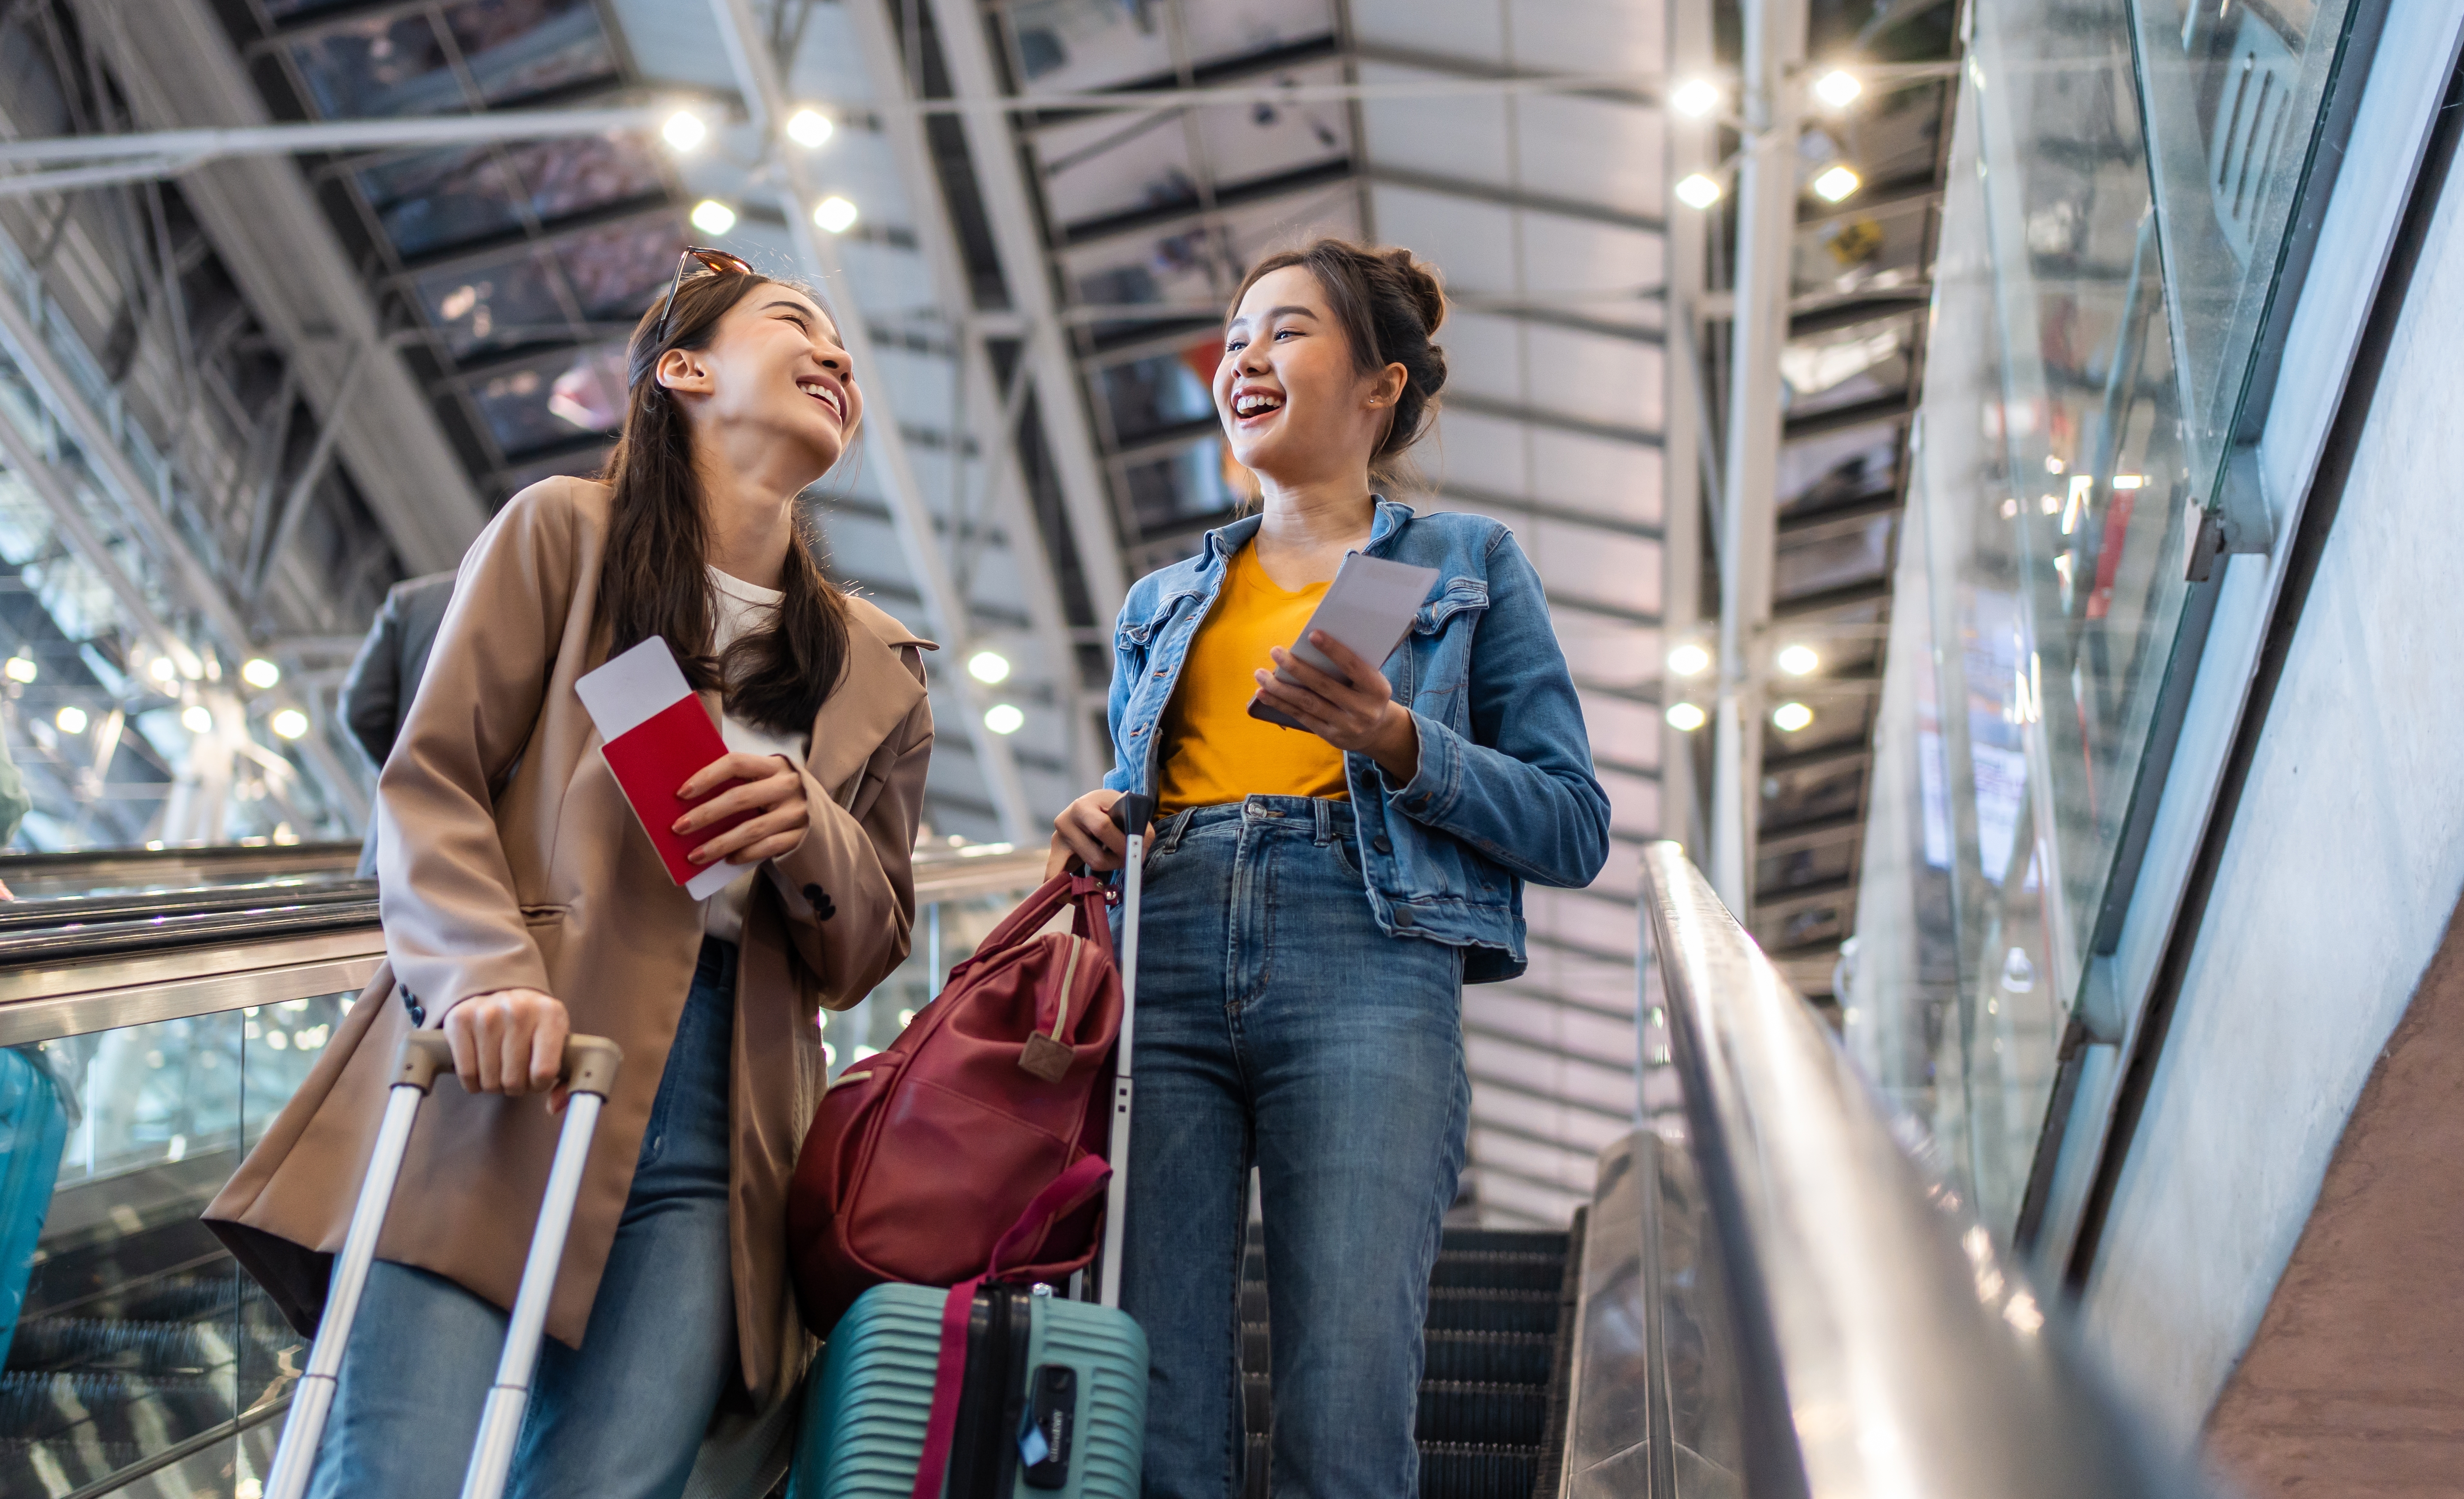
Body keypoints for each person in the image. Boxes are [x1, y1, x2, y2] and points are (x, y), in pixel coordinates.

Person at [205, 250, 934, 1498]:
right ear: (681, 367)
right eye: (794, 325)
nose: (836, 359)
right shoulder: (564, 532)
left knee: (616, 1480)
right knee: (401, 1461)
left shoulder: (874, 661)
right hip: (511, 1052)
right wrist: (483, 972)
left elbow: (870, 943)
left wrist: (808, 824)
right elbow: (432, 779)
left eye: (847, 355)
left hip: (731, 1115)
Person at [1046, 238, 1610, 1496]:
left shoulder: (1460, 564)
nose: (1243, 354)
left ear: (1378, 387)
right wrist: (1096, 807)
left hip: (1365, 949)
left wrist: (1398, 738)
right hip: (1164, 949)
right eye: (1236, 333)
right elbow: (1133, 782)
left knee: (1348, 1383)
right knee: (1152, 1396)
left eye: (1285, 329)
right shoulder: (1161, 600)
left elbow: (1572, 821)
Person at [338, 568, 456, 876]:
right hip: (481, 872)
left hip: (394, 851)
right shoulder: (543, 610)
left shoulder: (414, 601)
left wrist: (409, 770)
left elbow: (361, 711)